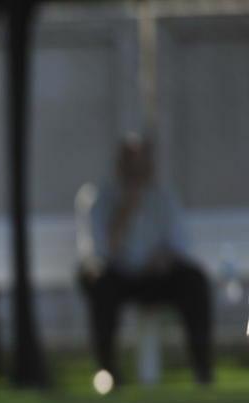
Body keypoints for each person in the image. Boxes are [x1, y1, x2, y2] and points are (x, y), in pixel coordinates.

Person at [76, 135, 212, 386]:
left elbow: (179, 244)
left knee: (194, 281)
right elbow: (101, 252)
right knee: (100, 287)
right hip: (119, 276)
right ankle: (108, 372)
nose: (135, 172)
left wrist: (163, 259)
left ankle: (203, 370)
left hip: (157, 276)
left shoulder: (164, 197)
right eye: (130, 165)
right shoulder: (101, 198)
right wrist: (127, 209)